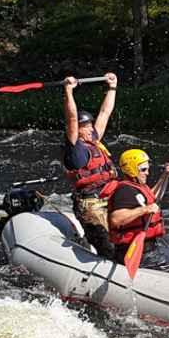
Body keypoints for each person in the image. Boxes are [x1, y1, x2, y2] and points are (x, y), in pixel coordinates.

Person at [62, 72, 119, 255]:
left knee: (123, 240)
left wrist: (112, 87)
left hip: (108, 199)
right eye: (84, 127)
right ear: (77, 130)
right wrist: (69, 91)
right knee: (108, 248)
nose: (89, 129)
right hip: (90, 206)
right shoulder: (75, 147)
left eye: (89, 125)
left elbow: (105, 112)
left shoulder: (93, 140)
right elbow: (71, 118)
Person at [103, 148, 169, 267]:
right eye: (143, 169)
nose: (147, 173)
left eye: (147, 169)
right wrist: (145, 210)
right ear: (131, 169)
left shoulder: (137, 187)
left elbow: (152, 198)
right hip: (133, 251)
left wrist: (165, 176)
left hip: (149, 249)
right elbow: (116, 219)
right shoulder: (124, 191)